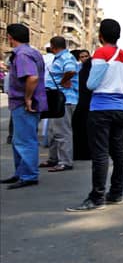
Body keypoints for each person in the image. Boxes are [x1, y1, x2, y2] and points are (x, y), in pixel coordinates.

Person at [67, 19, 123, 211]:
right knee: (119, 151)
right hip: (120, 108)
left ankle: (97, 197)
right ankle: (116, 193)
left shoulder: (101, 53)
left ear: (100, 36)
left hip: (100, 108)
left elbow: (91, 84)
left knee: (100, 154)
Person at [1, 24, 47, 189]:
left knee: (25, 140)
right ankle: (21, 172)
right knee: (19, 140)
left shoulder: (22, 54)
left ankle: (28, 175)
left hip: (24, 103)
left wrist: (27, 98)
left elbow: (32, 78)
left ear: (10, 37)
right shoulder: (32, 52)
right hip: (23, 102)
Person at [40, 37, 79, 172]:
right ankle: (53, 158)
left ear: (52, 46)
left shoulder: (66, 57)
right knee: (52, 131)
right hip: (56, 99)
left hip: (65, 99)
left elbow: (71, 70)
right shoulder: (60, 57)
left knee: (62, 132)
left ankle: (65, 161)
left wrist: (64, 80)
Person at [72, 52, 93, 160]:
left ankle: (78, 153)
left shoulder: (80, 73)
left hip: (81, 104)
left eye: (86, 56)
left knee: (79, 129)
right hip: (89, 104)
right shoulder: (92, 73)